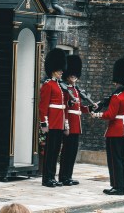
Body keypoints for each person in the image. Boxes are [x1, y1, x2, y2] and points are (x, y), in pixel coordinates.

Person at [93, 57, 124, 196]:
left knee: (114, 160)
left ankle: (116, 187)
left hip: (115, 132)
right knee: (123, 159)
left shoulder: (117, 96)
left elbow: (110, 115)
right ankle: (123, 186)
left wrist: (97, 115)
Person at [58, 53, 97, 186]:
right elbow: (66, 109)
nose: (73, 77)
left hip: (77, 125)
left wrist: (90, 108)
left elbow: (79, 108)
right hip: (69, 124)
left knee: (73, 152)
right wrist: (66, 125)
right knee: (66, 152)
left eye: (75, 75)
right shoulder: (65, 90)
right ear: (67, 75)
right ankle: (63, 177)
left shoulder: (76, 90)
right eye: (71, 75)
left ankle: (68, 176)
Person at [39, 48, 68, 188]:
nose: (62, 71)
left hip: (59, 123)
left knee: (56, 151)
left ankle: (52, 176)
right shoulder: (48, 85)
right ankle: (47, 178)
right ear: (53, 70)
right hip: (52, 123)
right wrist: (44, 123)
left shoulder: (59, 85)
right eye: (59, 70)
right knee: (50, 152)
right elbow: (43, 106)